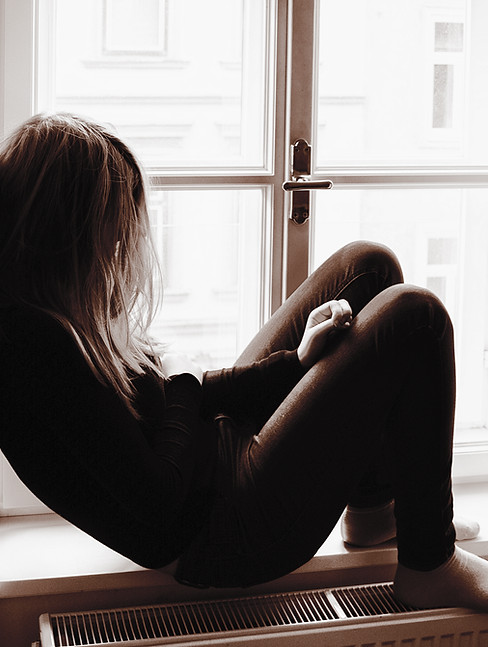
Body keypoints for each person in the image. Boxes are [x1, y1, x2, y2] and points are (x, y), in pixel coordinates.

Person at [0, 113, 487, 612]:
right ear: (65, 231)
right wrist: (185, 381)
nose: (120, 246)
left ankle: (373, 510)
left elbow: (172, 407)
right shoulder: (30, 346)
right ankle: (431, 565)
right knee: (418, 318)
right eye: (113, 227)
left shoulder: (47, 311)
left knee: (366, 267)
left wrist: (296, 363)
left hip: (218, 462)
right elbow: (161, 499)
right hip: (225, 530)